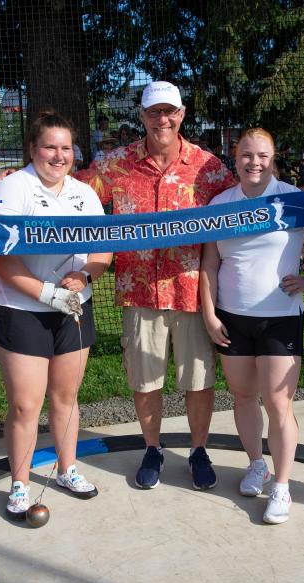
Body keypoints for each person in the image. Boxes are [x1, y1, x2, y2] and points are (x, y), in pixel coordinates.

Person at [77, 81, 237, 490]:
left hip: (191, 291)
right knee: (145, 381)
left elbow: (243, 205)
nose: (161, 119)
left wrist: (290, 197)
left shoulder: (209, 167)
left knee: (199, 380)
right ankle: (153, 448)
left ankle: (198, 450)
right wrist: (24, 176)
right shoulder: (116, 164)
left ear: (182, 115)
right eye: (153, 112)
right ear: (142, 116)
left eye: (169, 112)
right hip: (139, 292)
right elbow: (73, 191)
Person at [0, 110, 112, 517]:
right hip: (22, 308)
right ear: (33, 149)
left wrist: (85, 275)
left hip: (72, 307)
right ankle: (20, 483)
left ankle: (66, 468)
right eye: (49, 147)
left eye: (66, 148)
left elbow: (103, 247)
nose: (59, 156)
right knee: (25, 404)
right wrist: (44, 292)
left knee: (66, 397)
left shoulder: (83, 192)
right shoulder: (13, 188)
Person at [199, 128, 304, 524]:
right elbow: (210, 264)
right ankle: (257, 464)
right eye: (246, 155)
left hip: (280, 317)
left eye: (262, 155)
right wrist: (209, 314)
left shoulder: (295, 200)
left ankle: (283, 486)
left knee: (278, 403)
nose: (254, 162)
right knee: (243, 396)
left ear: (273, 159)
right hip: (232, 318)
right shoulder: (220, 204)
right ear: (234, 158)